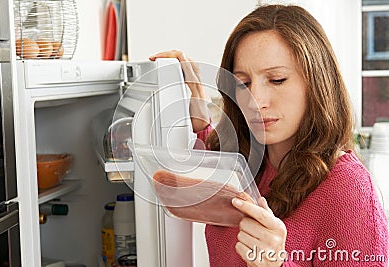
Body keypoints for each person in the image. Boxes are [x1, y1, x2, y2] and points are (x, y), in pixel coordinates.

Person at [150, 4, 389, 267]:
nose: (256, 100)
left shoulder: (348, 188)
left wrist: (277, 264)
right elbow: (190, 184)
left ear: (317, 84)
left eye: (276, 80)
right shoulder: (242, 163)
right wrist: (197, 114)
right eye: (243, 82)